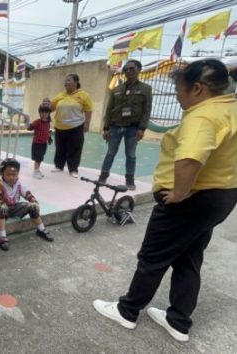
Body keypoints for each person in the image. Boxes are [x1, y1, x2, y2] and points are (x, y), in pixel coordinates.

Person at [93, 59, 237, 342]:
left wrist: (180, 193)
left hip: (191, 201)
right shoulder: (231, 107)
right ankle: (178, 321)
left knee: (153, 257)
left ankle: (127, 311)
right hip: (221, 197)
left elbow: (190, 157)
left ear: (197, 88)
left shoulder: (203, 116)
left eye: (179, 90)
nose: (177, 96)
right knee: (189, 256)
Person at [99, 60, 153, 190]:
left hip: (133, 128)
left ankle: (130, 180)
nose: (128, 71)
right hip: (115, 126)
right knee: (110, 152)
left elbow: (147, 110)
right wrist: (106, 128)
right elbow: (109, 109)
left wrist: (142, 128)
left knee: (131, 154)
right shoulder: (117, 89)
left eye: (132, 69)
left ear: (139, 70)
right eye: (126, 69)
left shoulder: (145, 89)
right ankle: (103, 176)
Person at [0, 158, 52, 252]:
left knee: (33, 206)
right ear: (2, 174)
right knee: (1, 208)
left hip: (15, 207)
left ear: (17, 174)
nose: (11, 177)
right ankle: (2, 236)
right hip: (2, 210)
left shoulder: (18, 183)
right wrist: (1, 204)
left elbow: (26, 193)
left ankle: (41, 229)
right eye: (8, 174)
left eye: (14, 174)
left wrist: (33, 199)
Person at [43, 74, 93, 178]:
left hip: (76, 126)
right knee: (60, 147)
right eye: (65, 81)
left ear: (76, 82)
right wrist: (47, 103)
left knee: (75, 148)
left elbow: (88, 110)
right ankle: (59, 166)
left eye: (69, 80)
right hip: (60, 126)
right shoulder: (61, 95)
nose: (66, 83)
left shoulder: (83, 95)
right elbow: (51, 108)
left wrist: (87, 124)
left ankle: (73, 169)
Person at [28, 102, 53, 179]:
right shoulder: (37, 122)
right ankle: (35, 171)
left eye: (46, 112)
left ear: (49, 113)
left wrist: (49, 138)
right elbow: (30, 127)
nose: (44, 114)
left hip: (43, 143)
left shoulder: (48, 123)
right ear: (39, 112)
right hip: (37, 143)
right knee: (38, 158)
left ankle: (37, 170)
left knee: (41, 157)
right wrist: (27, 123)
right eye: (42, 112)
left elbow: (48, 131)